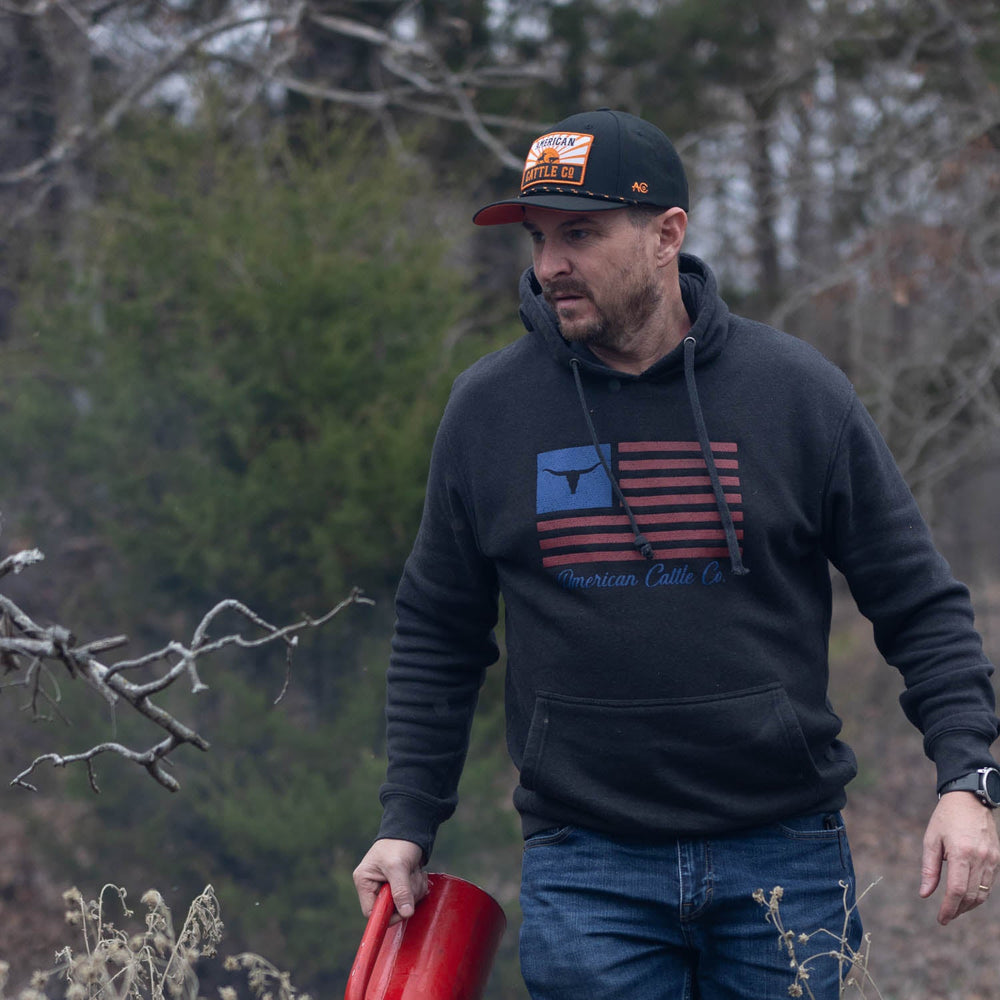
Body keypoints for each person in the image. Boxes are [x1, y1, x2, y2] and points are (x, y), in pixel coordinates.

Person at [352, 108, 1000, 999]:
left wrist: (968, 777)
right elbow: (438, 630)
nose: (549, 266)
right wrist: (408, 820)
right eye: (539, 239)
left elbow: (919, 601)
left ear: (667, 235)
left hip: (784, 856)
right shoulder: (488, 411)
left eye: (579, 233)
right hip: (587, 868)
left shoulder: (796, 394)